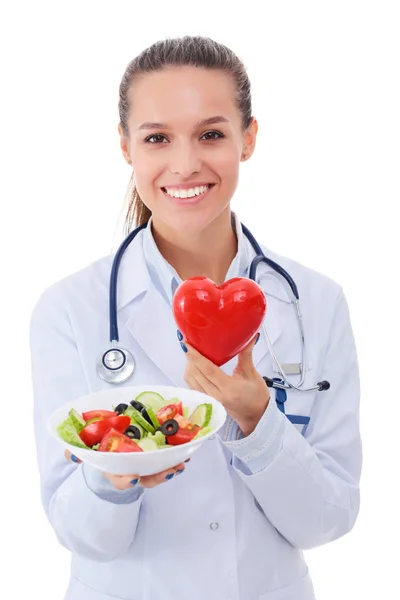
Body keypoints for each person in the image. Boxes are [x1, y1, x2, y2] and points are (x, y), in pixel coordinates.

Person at [30, 35, 362, 600]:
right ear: (125, 146)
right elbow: (79, 532)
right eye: (157, 138)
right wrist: (111, 477)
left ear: (248, 139)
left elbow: (328, 520)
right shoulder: (70, 309)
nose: (185, 164)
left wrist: (260, 424)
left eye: (211, 134)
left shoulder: (314, 302)